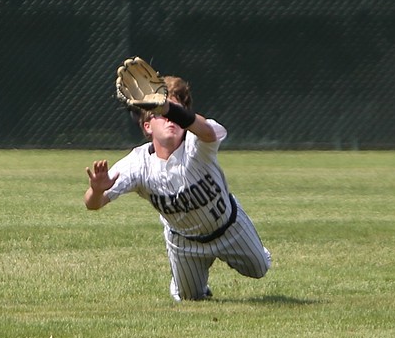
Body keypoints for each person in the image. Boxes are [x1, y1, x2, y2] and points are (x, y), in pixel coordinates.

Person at [84, 74, 272, 301]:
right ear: (147, 127)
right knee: (189, 299)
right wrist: (96, 190)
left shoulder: (197, 144)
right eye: (160, 115)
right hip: (184, 242)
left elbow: (209, 132)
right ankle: (183, 281)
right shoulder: (137, 163)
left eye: (175, 113)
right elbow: (93, 204)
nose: (169, 118)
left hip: (229, 227)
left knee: (259, 269)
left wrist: (167, 108)